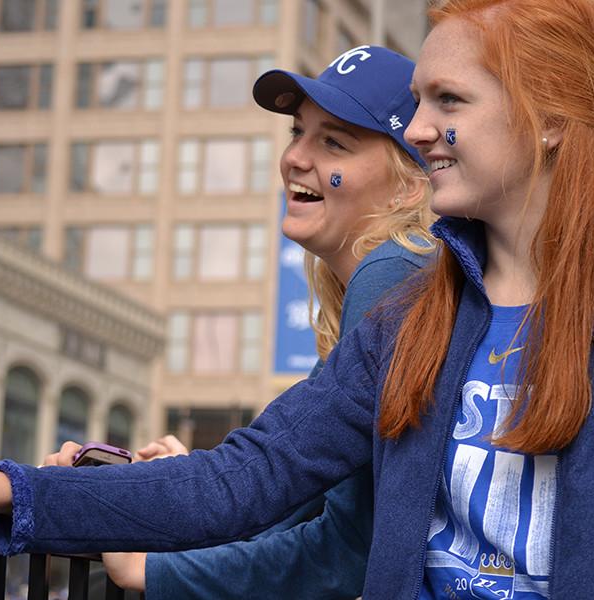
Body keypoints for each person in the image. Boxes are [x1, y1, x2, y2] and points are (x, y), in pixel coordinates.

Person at [0, 1, 594, 598]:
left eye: (447, 100)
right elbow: (245, 478)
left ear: (552, 119)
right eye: (415, 103)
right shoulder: (414, 315)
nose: (415, 130)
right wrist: (11, 492)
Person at [81, 46, 436, 598]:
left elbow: (349, 551)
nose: (294, 157)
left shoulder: (393, 276)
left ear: (410, 184)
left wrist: (152, 571)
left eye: (334, 142)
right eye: (298, 132)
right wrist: (190, 484)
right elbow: (292, 497)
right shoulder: (368, 293)